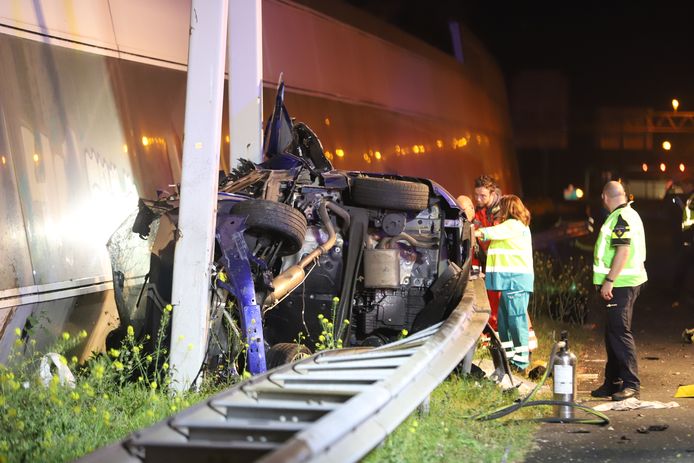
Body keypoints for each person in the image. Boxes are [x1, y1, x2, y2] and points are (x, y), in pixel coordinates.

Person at [590, 181, 648, 401]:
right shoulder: (628, 214)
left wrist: (609, 281)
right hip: (624, 282)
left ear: (605, 196)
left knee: (619, 332)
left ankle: (631, 384)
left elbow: (622, 252)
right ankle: (612, 382)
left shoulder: (621, 218)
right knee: (612, 332)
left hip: (622, 283)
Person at [475, 195, 534, 371]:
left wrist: (475, 231)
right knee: (503, 322)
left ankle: (521, 360)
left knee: (516, 321)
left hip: (516, 281)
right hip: (510, 281)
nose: (496, 211)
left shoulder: (514, 225)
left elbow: (491, 233)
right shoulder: (510, 226)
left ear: (507, 208)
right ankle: (509, 357)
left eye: (499, 208)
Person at [473, 175, 502, 329]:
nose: (478, 199)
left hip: (502, 261)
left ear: (492, 193)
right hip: (488, 261)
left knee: (501, 297)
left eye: (482, 195)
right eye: (476, 195)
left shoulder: (502, 210)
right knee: (490, 295)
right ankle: (493, 328)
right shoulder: (480, 210)